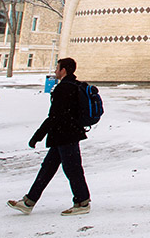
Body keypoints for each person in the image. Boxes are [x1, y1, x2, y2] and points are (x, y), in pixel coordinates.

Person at [8, 58, 91, 215]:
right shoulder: (76, 86)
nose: (55, 71)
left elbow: (54, 116)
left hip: (65, 135)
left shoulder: (64, 89)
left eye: (57, 68)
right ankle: (29, 201)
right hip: (65, 135)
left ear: (64, 70)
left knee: (72, 170)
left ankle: (82, 202)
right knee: (47, 169)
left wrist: (37, 136)